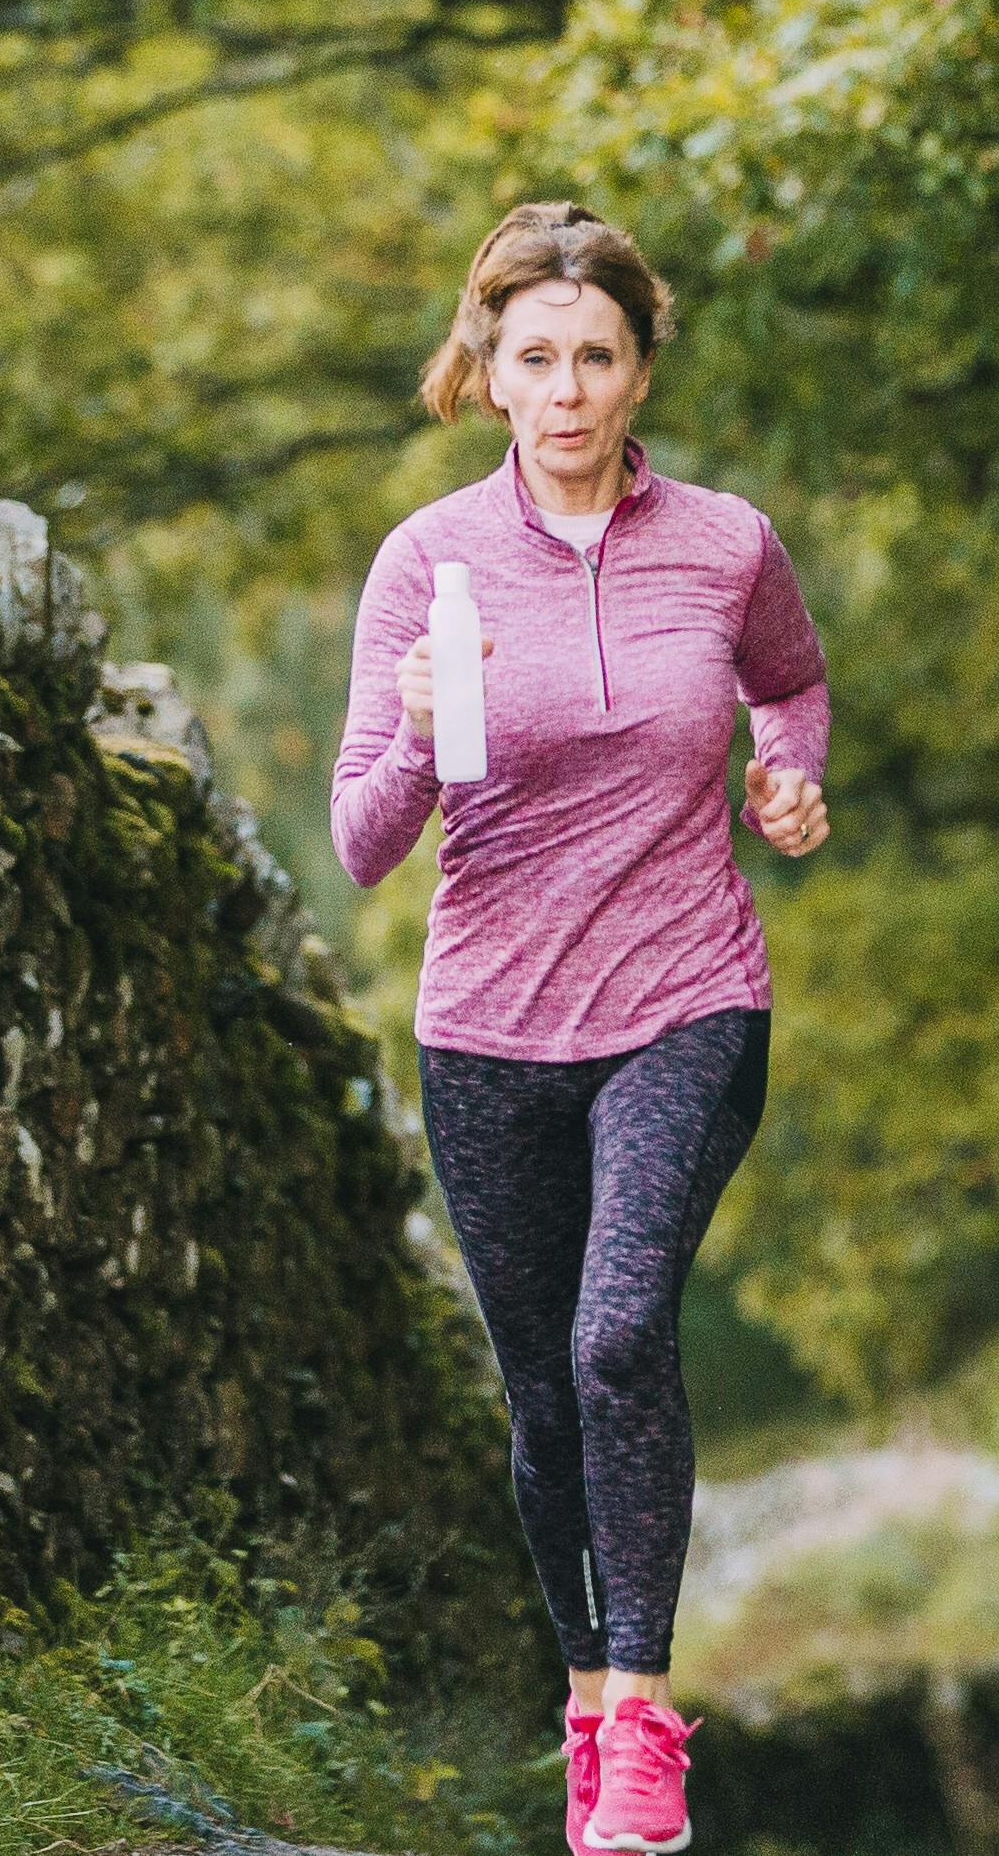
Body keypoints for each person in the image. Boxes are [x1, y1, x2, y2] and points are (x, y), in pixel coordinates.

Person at [332, 201, 833, 1856]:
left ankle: (646, 1719)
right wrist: (408, 735)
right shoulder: (428, 564)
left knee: (620, 1335)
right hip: (487, 1030)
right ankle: (583, 1704)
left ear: (638, 369)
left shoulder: (728, 542)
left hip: (688, 1000)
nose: (564, 391)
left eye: (594, 358)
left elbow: (792, 682)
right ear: (484, 370)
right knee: (542, 1391)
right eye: (531, 358)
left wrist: (789, 773)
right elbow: (361, 842)